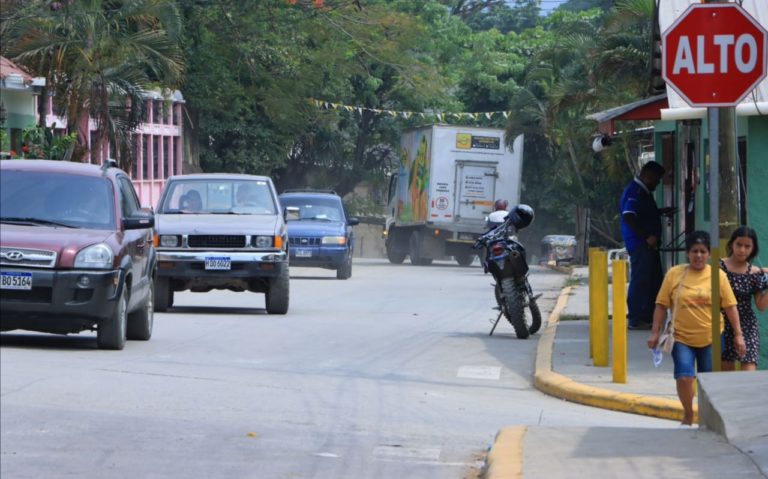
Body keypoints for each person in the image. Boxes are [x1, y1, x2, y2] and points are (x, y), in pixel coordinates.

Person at [647, 231, 746, 426]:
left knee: (708, 381)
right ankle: (688, 413)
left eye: (702, 251)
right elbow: (661, 305)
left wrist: (739, 335)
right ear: (687, 253)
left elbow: (730, 307)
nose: (698, 255)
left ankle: (706, 417)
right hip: (681, 337)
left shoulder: (718, 276)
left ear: (709, 254)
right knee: (684, 377)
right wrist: (655, 332)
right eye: (694, 251)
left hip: (712, 337)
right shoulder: (674, 274)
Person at [620, 160, 675, 330]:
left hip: (648, 245)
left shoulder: (642, 192)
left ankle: (649, 315)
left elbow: (642, 213)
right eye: (656, 180)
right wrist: (646, 237)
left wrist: (659, 212)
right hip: (640, 244)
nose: (657, 184)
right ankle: (636, 318)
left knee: (654, 279)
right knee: (641, 280)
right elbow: (629, 216)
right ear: (647, 176)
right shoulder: (635, 192)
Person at [720, 226, 768, 371]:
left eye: (747, 246)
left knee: (748, 370)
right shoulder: (719, 268)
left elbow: (761, 305)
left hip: (747, 324)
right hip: (723, 323)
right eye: (739, 245)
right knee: (726, 373)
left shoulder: (754, 273)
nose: (742, 250)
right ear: (732, 244)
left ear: (753, 249)